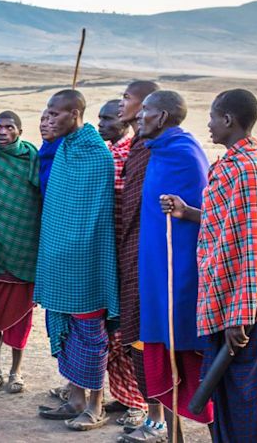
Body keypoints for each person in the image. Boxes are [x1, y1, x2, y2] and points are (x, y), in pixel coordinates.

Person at [160, 89, 257, 443]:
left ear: (229, 120)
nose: (208, 123)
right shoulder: (233, 163)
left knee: (242, 400)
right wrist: (187, 213)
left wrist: (240, 315)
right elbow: (228, 223)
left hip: (241, 311)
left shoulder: (246, 170)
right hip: (225, 301)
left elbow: (251, 247)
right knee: (224, 398)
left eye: (213, 116)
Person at [35, 90, 119, 431]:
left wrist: (73, 247)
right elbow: (57, 206)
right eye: (47, 113)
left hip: (85, 263)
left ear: (75, 114)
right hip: (58, 259)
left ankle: (96, 406)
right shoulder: (66, 150)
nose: (49, 119)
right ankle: (75, 398)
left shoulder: (97, 155)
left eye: (56, 114)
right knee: (67, 330)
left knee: (90, 333)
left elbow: (94, 216)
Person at [136, 91, 213, 441]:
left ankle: (218, 431)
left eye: (146, 111)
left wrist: (184, 212)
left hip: (178, 273)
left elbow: (208, 220)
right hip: (155, 268)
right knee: (162, 352)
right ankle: (173, 436)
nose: (139, 116)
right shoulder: (160, 150)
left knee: (185, 351)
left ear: (163, 116)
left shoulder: (184, 154)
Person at [111, 81, 163, 442]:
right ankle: (141, 406)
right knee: (130, 335)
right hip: (127, 250)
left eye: (127, 98)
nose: (121, 105)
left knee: (147, 335)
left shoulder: (154, 147)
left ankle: (157, 419)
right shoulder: (133, 146)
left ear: (146, 105)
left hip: (146, 255)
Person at [0, 111, 41, 395]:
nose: (2, 131)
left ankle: (16, 371)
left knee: (21, 317)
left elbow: (41, 195)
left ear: (19, 131)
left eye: (9, 127)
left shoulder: (31, 157)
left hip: (25, 244)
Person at [98, 99, 149, 430]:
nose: (100, 123)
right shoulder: (107, 154)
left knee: (125, 333)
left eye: (107, 118)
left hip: (127, 255)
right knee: (107, 330)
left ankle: (139, 403)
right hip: (106, 257)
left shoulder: (130, 155)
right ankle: (123, 394)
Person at [37, 108, 62, 198]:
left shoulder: (67, 153)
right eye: (42, 120)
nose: (43, 125)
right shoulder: (42, 152)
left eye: (49, 119)